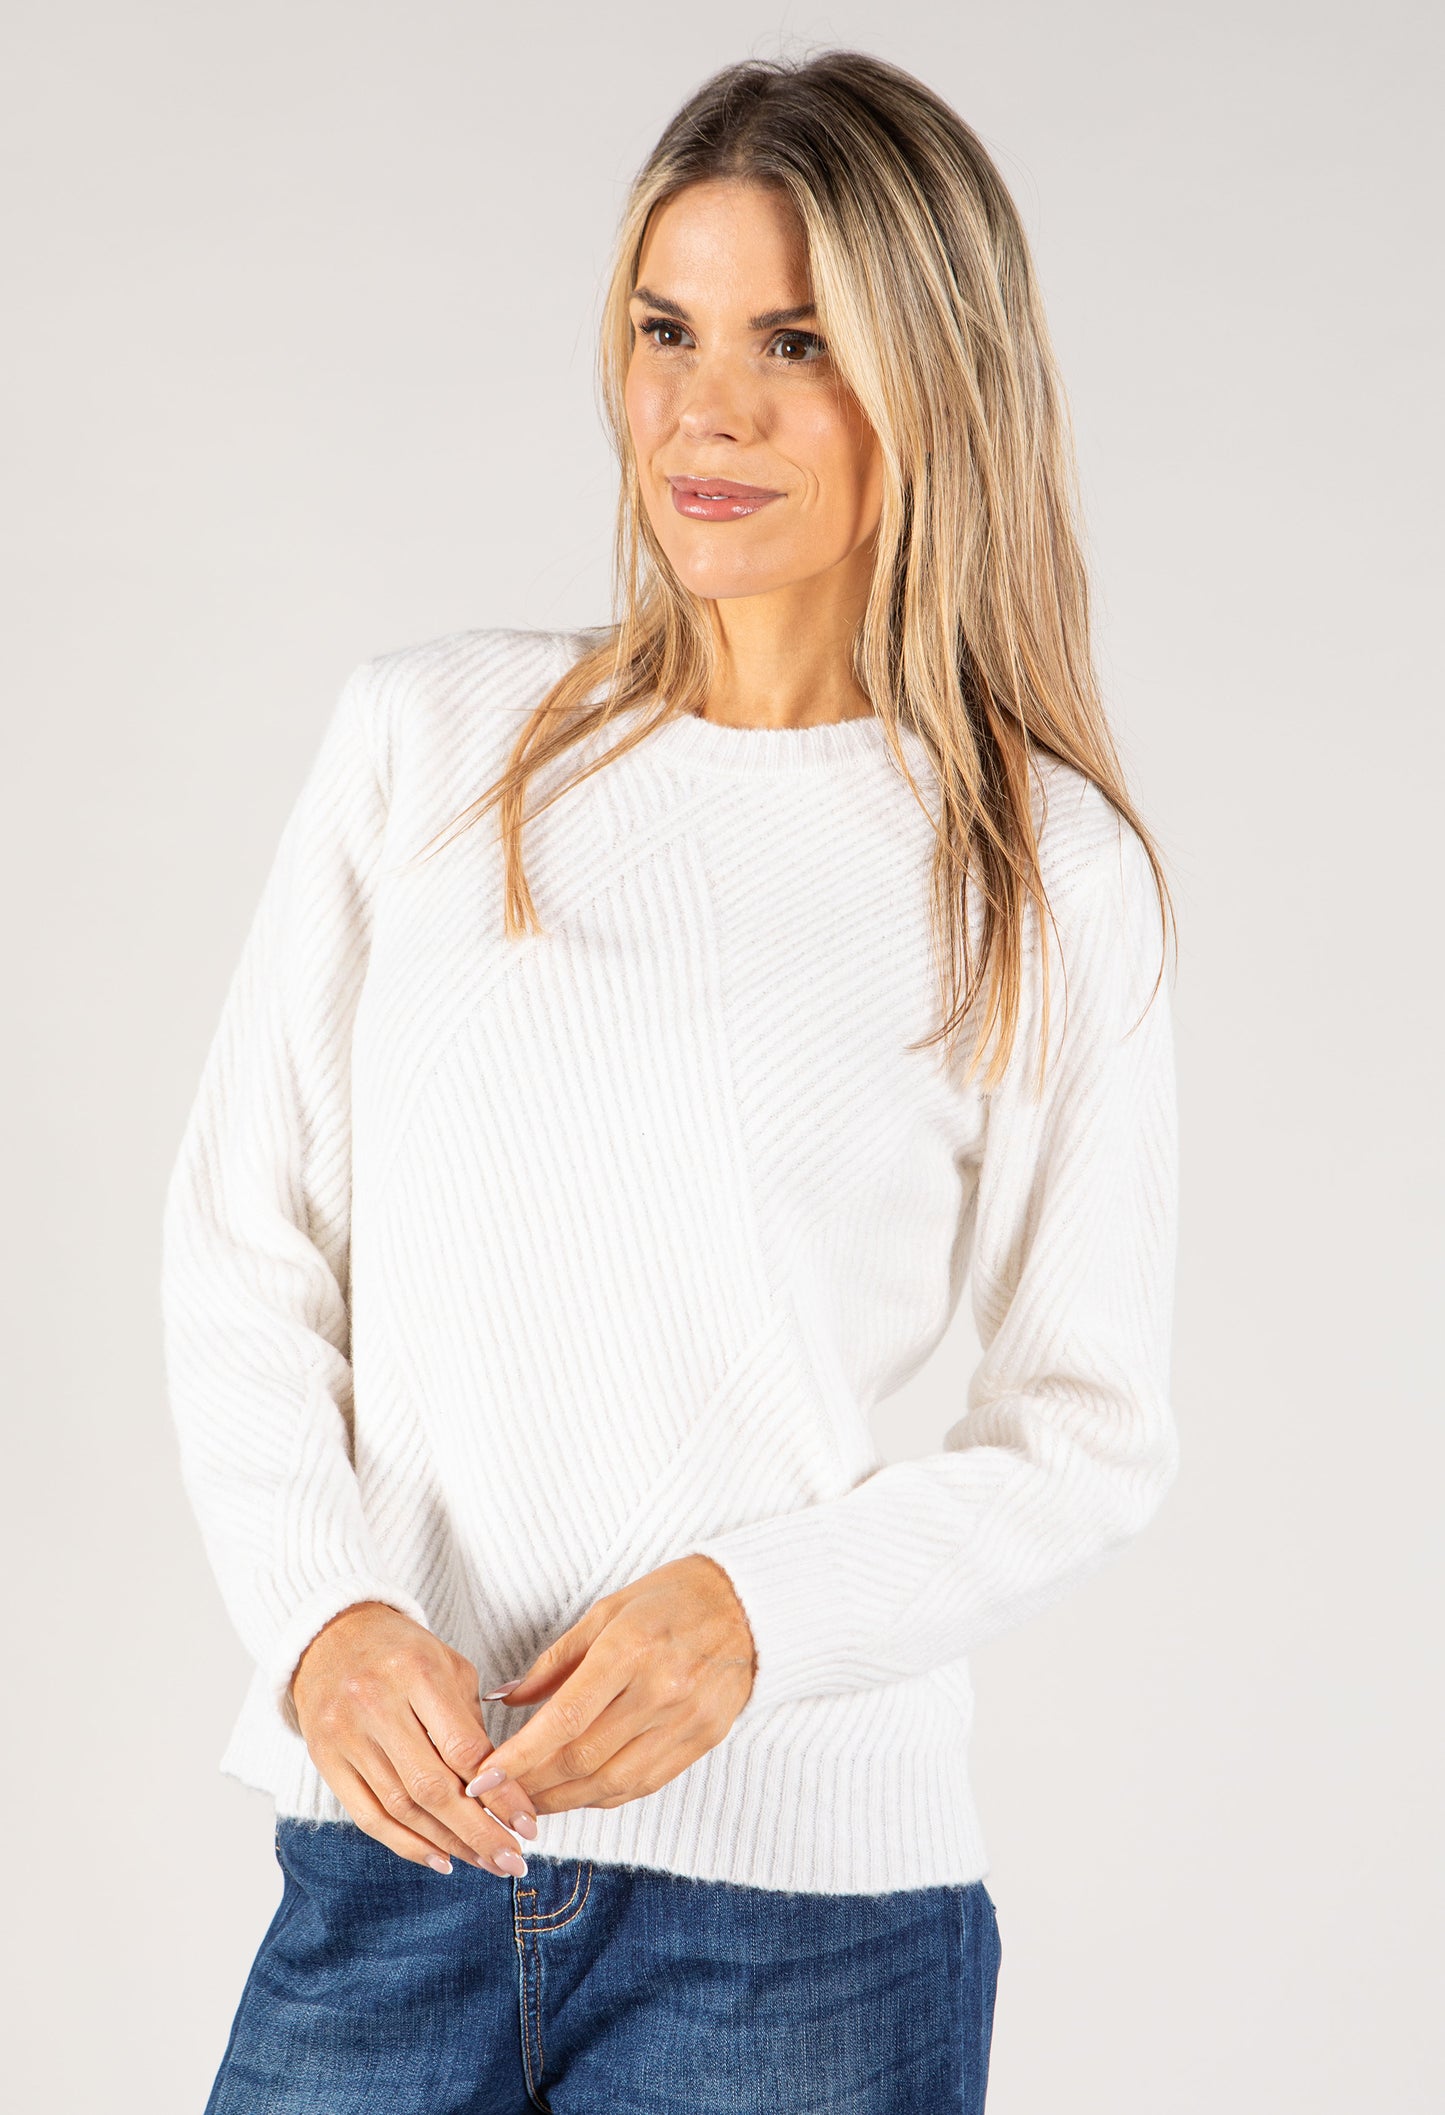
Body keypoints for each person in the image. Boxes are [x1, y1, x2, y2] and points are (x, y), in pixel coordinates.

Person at [161, 47, 1180, 2115]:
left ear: (932, 379)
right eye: (665, 329)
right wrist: (323, 1614)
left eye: (793, 341)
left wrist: (754, 1615)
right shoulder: (428, 744)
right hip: (399, 1866)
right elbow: (244, 1244)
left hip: (802, 1927)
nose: (704, 409)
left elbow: (1085, 1432)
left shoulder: (1033, 863)